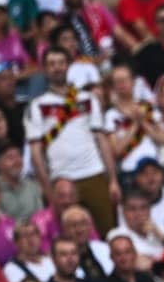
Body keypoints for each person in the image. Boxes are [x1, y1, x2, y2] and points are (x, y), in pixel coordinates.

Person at [25, 47, 119, 237]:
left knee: (108, 232)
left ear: (69, 66)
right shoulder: (37, 105)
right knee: (67, 237)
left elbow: (101, 139)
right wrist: (47, 187)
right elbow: (36, 152)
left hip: (93, 173)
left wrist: (113, 180)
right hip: (61, 179)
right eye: (51, 64)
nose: (57, 68)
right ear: (44, 69)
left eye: (61, 63)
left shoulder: (88, 99)